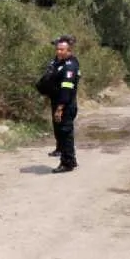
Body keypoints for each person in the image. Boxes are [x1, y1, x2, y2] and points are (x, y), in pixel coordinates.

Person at [48, 35, 80, 173]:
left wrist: (60, 108)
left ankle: (67, 163)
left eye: (62, 49)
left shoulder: (70, 66)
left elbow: (66, 89)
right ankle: (71, 159)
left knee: (65, 133)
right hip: (59, 103)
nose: (59, 52)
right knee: (62, 133)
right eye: (58, 49)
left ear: (69, 50)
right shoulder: (60, 63)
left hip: (65, 105)